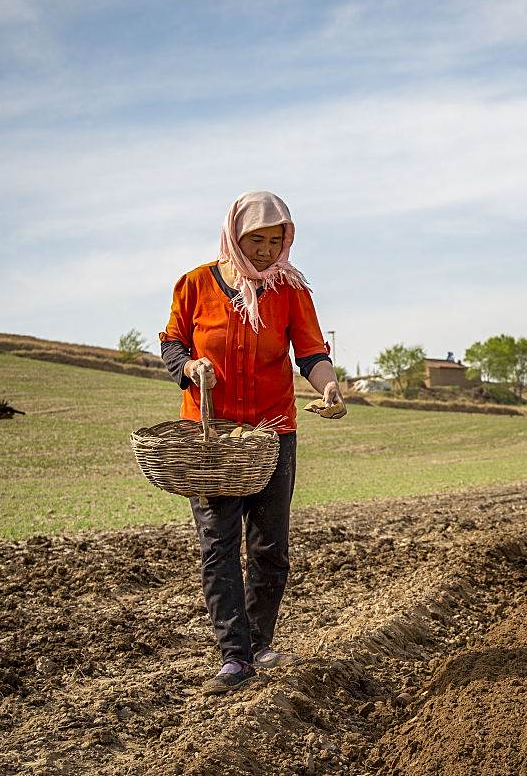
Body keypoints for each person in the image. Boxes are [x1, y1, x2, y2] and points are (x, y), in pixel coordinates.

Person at [159, 190, 346, 695]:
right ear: (234, 234)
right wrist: (189, 367)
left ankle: (260, 641)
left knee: (270, 548)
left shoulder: (290, 290)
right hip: (212, 437)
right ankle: (235, 657)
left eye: (276, 239)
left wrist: (328, 385)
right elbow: (173, 340)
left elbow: (310, 352)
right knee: (218, 545)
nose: (266, 249)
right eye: (256, 239)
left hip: (271, 436)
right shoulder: (196, 284)